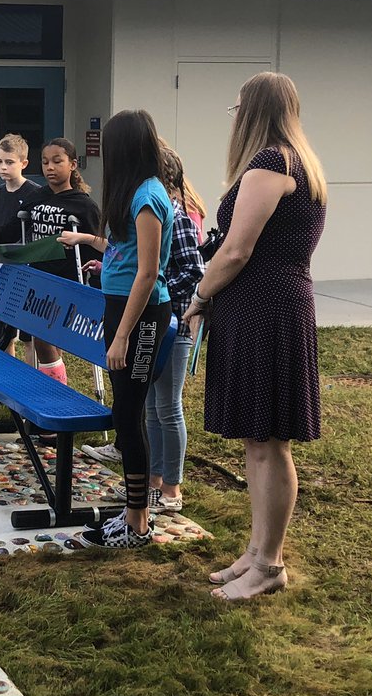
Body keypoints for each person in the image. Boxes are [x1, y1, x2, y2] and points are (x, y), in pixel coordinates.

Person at [182, 72, 327, 600]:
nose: (234, 114)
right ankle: (256, 551)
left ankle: (270, 564)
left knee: (269, 443)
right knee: (258, 440)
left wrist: (199, 297)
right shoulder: (299, 162)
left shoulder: (272, 163)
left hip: (266, 308)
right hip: (266, 305)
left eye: (238, 106)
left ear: (255, 111)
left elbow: (236, 250)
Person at [58, 110, 173, 549]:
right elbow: (124, 249)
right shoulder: (135, 192)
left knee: (129, 412)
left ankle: (138, 523)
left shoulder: (148, 195)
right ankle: (131, 514)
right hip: (120, 307)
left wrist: (123, 335)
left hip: (141, 316)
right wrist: (91, 244)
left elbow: (147, 273)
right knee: (127, 411)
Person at [0, 137, 100, 386]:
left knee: (46, 338)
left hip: (66, 282)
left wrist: (97, 288)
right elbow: (8, 233)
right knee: (43, 339)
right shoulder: (37, 197)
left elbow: (96, 247)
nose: (49, 167)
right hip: (38, 279)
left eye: (57, 162)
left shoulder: (83, 205)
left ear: (72, 165)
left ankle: (54, 390)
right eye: (45, 162)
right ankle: (52, 386)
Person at [145, 143, 206, 513]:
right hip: (155, 323)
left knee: (169, 407)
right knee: (151, 407)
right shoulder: (156, 215)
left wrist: (162, 291)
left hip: (176, 326)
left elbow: (194, 270)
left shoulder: (179, 219)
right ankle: (153, 480)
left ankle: (172, 488)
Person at [0, 133, 38, 365]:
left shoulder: (35, 193)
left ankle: (32, 380)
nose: (3, 167)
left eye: (9, 162)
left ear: (23, 163)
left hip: (27, 269)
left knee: (29, 334)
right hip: (0, 269)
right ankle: (8, 379)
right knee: (4, 332)